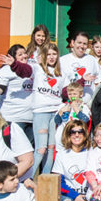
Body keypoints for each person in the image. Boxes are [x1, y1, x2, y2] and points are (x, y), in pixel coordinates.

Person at [0, 44, 35, 146]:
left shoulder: (32, 69)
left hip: (31, 118)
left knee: (29, 150)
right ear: (12, 58)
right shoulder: (6, 70)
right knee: (14, 148)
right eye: (20, 54)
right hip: (13, 118)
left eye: (25, 53)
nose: (24, 56)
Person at [53, 118, 92, 201]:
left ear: (85, 134)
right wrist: (74, 195)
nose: (76, 134)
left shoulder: (91, 153)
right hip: (68, 195)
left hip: (85, 197)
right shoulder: (62, 154)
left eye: (80, 131)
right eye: (72, 132)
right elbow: (59, 182)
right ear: (68, 135)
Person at [30, 43, 64, 176]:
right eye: (48, 54)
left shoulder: (60, 74)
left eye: (54, 54)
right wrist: (14, 65)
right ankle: (28, 179)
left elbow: (66, 91)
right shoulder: (37, 69)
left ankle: (46, 180)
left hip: (55, 113)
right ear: (43, 56)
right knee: (41, 149)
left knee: (51, 148)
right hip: (41, 113)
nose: (51, 57)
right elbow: (24, 71)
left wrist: (82, 81)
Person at [59, 31, 99, 105]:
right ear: (73, 43)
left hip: (88, 105)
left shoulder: (92, 60)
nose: (82, 46)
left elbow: (97, 82)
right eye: (79, 42)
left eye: (84, 44)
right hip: (69, 104)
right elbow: (61, 88)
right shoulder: (62, 61)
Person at [51, 82, 91, 148]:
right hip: (62, 137)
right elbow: (56, 121)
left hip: (77, 138)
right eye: (70, 94)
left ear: (81, 94)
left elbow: (85, 120)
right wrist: (61, 111)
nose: (72, 96)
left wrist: (76, 109)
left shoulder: (83, 107)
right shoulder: (63, 105)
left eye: (74, 94)